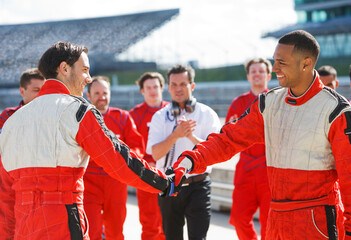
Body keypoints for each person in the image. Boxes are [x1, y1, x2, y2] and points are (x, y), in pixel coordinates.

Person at [172, 30, 351, 239]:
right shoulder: (268, 103)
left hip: (316, 225)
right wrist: (188, 161)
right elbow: (228, 139)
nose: (274, 68)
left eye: (281, 62)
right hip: (276, 221)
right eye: (274, 61)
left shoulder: (337, 111)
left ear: (306, 63)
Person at [0, 41, 172, 240]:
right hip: (63, 220)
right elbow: (117, 159)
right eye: (84, 70)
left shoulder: (12, 121)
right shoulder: (77, 110)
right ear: (64, 68)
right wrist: (166, 183)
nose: (89, 79)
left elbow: (5, 196)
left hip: (24, 225)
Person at [146, 64, 221, 240]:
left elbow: (217, 152)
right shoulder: (159, 116)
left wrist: (192, 137)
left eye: (183, 84)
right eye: (174, 84)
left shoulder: (207, 114)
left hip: (199, 185)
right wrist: (175, 136)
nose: (178, 88)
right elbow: (155, 154)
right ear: (168, 87)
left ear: (192, 86)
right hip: (169, 185)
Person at [84, 76, 145, 240]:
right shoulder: (82, 119)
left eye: (105, 92)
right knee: (92, 231)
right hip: (89, 182)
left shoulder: (123, 117)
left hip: (116, 182)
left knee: (116, 231)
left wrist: (126, 160)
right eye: (96, 93)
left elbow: (137, 146)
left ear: (110, 94)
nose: (101, 97)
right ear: (88, 95)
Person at [226, 58, 272, 240]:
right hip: (246, 168)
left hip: (270, 169)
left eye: (261, 71)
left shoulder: (278, 100)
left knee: (269, 222)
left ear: (268, 75)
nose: (257, 74)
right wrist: (231, 129)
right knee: (238, 218)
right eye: (253, 71)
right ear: (248, 76)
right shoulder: (238, 102)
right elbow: (226, 136)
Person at [130, 72, 169, 240]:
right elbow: (130, 146)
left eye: (155, 87)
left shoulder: (174, 110)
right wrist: (145, 164)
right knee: (150, 224)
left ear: (162, 88)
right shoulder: (134, 115)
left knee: (170, 224)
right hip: (147, 176)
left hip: (171, 174)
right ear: (142, 91)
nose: (152, 91)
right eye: (148, 88)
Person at [0, 68, 45, 132]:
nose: (41, 94)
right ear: (22, 91)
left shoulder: (54, 115)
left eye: (44, 90)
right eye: (36, 90)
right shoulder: (8, 116)